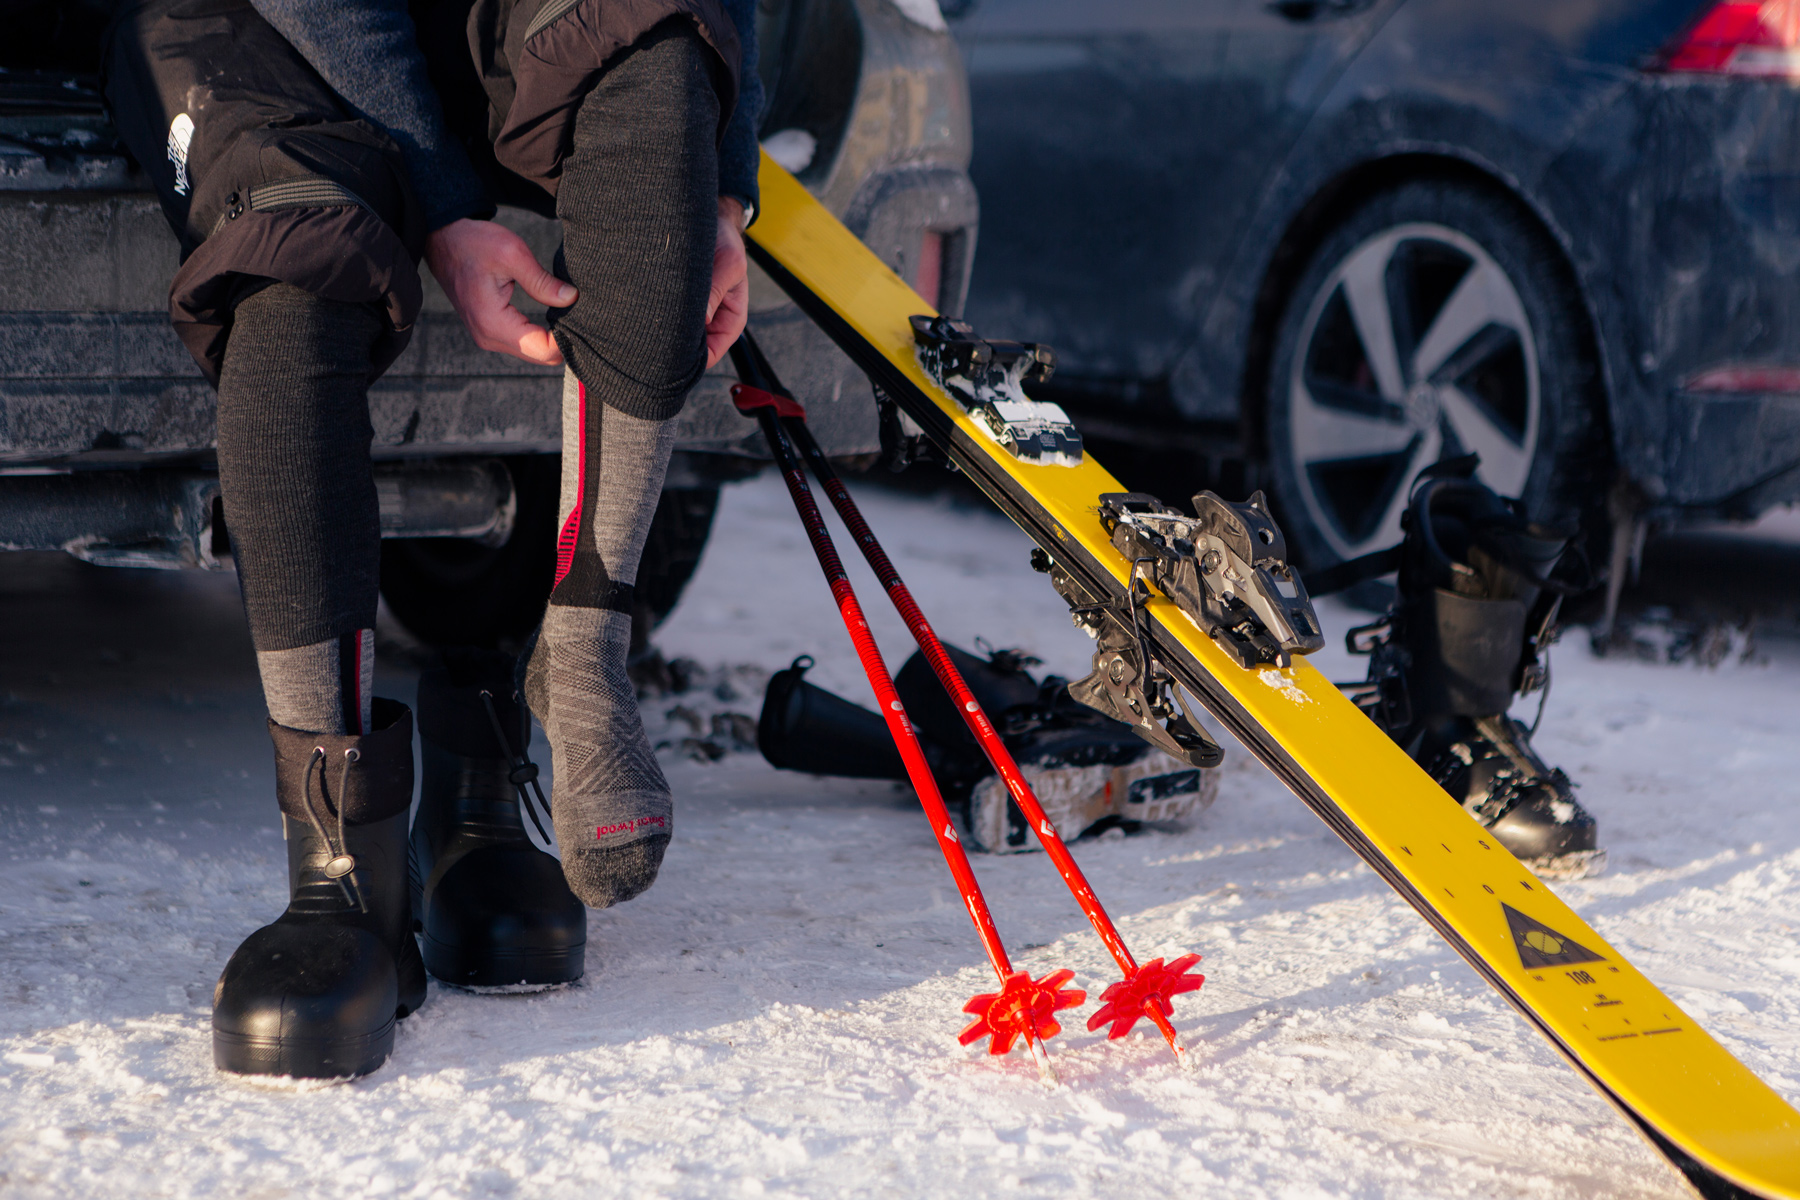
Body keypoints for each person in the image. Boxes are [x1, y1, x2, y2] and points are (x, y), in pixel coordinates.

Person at [101, 0, 762, 1078]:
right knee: (296, 251)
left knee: (656, 43)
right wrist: (448, 208)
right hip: (265, 24)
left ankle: (561, 682)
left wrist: (717, 191)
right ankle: (342, 868)